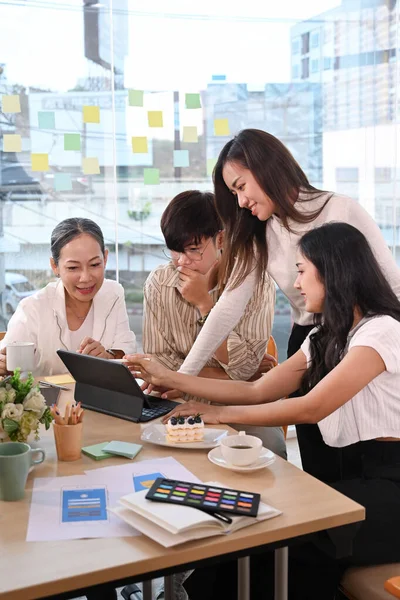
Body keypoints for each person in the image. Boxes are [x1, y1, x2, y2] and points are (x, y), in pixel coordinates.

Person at [127, 223, 400, 599]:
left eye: (303, 270)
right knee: (241, 533)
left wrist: (219, 415)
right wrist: (172, 378)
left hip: (392, 487)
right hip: (355, 480)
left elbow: (311, 407)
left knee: (276, 542)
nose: (297, 282)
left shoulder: (381, 331)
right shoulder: (324, 337)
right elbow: (256, 390)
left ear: (333, 271)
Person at [163, 129, 400, 480]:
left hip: (363, 338)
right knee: (319, 461)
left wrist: (380, 341)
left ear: (267, 168)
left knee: (363, 454)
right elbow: (229, 307)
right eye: (233, 193)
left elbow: (391, 287)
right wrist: (184, 378)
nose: (240, 201)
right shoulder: (259, 229)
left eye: (241, 186)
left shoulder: (340, 210)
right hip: (314, 336)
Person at [142, 189, 285, 458]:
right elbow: (159, 366)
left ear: (221, 238)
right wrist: (227, 377)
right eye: (175, 251)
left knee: (270, 448)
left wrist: (206, 306)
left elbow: (244, 370)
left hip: (240, 405)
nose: (182, 261)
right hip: (178, 401)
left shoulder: (257, 283)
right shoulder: (160, 283)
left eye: (194, 250)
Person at [0, 217, 136, 376]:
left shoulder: (113, 293)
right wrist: (4, 366)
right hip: (45, 400)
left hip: (98, 399)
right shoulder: (32, 308)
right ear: (54, 266)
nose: (85, 278)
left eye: (94, 265)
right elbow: (7, 363)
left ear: (105, 258)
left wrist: (108, 356)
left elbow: (126, 349)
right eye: (73, 267)